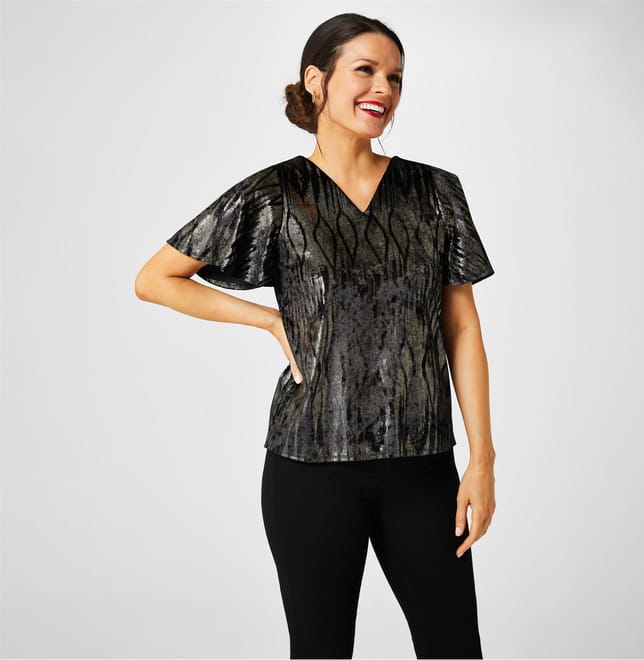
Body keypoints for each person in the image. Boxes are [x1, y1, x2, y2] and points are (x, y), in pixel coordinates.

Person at [135, 12, 497, 660]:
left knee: (454, 647)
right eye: (366, 70)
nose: (383, 88)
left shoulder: (435, 192)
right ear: (316, 80)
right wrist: (268, 319)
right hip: (309, 468)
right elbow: (155, 278)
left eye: (395, 77)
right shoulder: (277, 193)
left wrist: (483, 459)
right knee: (320, 649)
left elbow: (462, 325)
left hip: (422, 467)